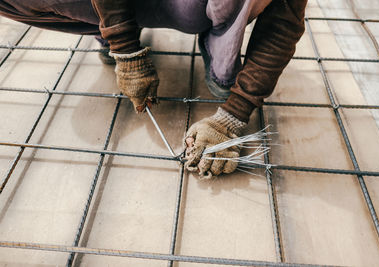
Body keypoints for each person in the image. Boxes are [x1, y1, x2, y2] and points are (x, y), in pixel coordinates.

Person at [0, 0, 307, 178]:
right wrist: (125, 46)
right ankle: (111, 21)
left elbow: (283, 24)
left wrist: (234, 115)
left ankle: (221, 44)